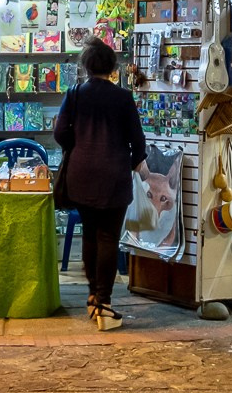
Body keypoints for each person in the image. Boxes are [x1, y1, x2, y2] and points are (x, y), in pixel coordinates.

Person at [54, 37, 168, 331]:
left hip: (81, 173)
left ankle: (93, 296)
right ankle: (103, 303)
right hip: (113, 175)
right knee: (108, 237)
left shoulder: (75, 93)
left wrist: (77, 148)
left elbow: (60, 133)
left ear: (86, 66)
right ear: (113, 68)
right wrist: (130, 162)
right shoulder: (123, 97)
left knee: (90, 235)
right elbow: (138, 140)